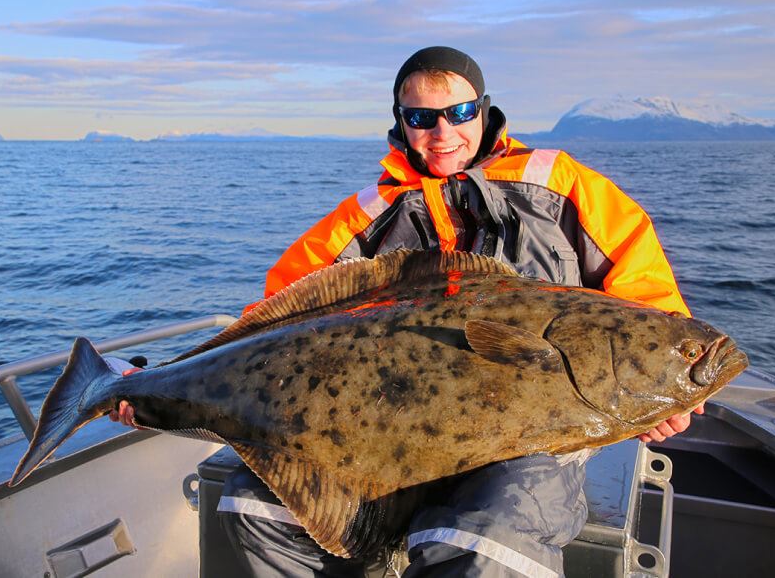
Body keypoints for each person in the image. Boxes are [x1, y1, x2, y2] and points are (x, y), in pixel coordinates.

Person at [113, 46, 701, 576]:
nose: (443, 132)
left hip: (531, 439)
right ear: (401, 123)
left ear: (486, 110)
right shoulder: (363, 218)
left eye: (460, 113)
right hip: (378, 433)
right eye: (421, 118)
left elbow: (647, 305)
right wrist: (158, 386)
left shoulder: (563, 186)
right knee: (255, 506)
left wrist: (674, 391)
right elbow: (271, 324)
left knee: (488, 539)